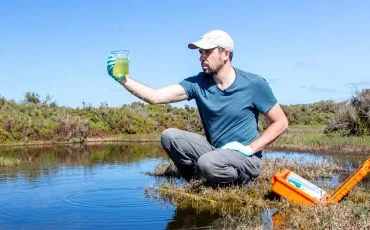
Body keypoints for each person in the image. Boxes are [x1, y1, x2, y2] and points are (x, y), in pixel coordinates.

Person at [105, 29, 289, 186]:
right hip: (215, 152)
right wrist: (123, 80)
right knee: (170, 136)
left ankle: (238, 181)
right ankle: (198, 181)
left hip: (246, 159)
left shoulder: (254, 84)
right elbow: (155, 96)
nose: (201, 57)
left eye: (207, 52)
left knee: (208, 163)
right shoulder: (198, 83)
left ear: (226, 54)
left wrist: (250, 148)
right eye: (200, 52)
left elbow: (280, 122)